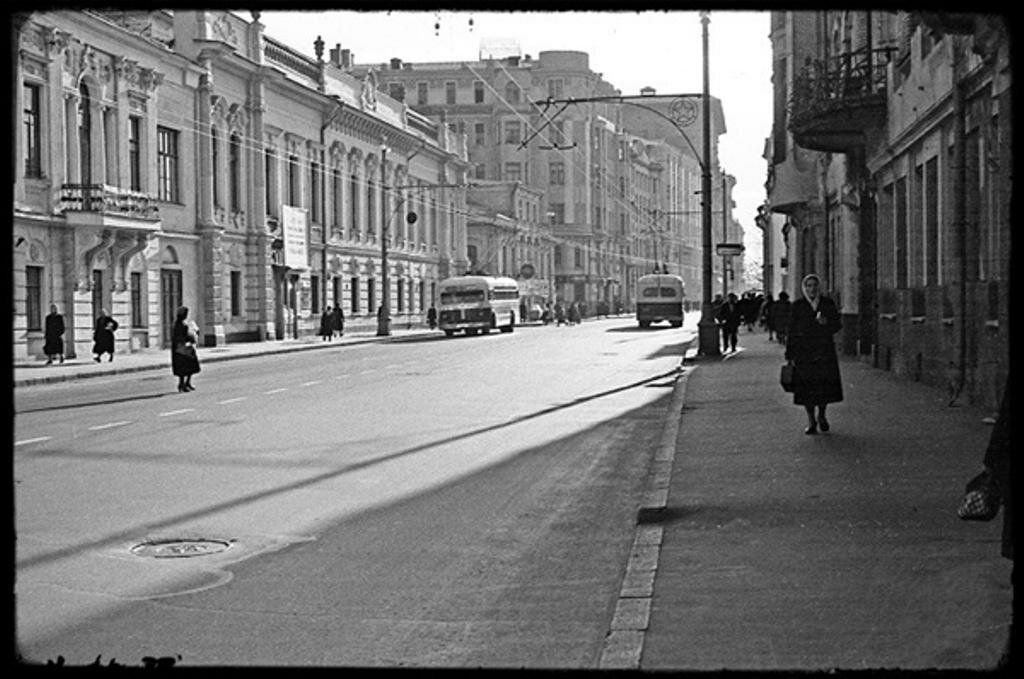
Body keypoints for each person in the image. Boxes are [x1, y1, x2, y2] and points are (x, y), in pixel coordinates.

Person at [785, 274, 843, 434]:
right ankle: (811, 421)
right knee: (806, 389)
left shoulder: (827, 304)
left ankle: (822, 415)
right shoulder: (798, 306)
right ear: (804, 288)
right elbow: (791, 331)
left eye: (814, 286)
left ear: (819, 287)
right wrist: (790, 354)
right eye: (809, 286)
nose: (812, 289)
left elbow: (837, 325)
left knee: (823, 387)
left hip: (824, 352)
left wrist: (827, 323)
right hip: (804, 354)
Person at [171, 305, 200, 392]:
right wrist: (192, 336)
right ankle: (183, 384)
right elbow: (184, 336)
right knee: (187, 366)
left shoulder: (177, 324)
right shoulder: (182, 325)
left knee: (184, 368)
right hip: (183, 348)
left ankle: (184, 384)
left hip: (178, 349)